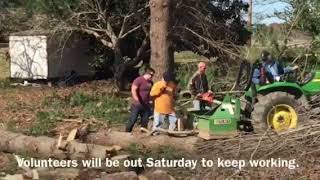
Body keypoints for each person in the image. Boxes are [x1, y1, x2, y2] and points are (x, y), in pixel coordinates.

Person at [125, 67, 155, 132]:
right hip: (137, 104)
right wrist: (137, 99)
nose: (152, 76)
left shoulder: (150, 82)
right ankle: (127, 131)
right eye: (151, 75)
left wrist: (151, 101)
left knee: (145, 120)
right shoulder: (138, 80)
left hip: (146, 105)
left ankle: (143, 133)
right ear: (146, 74)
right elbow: (133, 90)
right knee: (133, 119)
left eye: (153, 75)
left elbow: (151, 92)